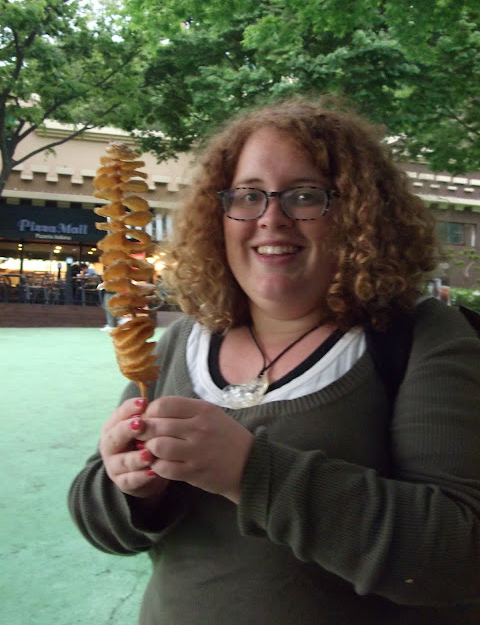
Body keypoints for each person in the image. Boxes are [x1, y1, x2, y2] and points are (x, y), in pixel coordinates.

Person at [68, 97, 480, 624]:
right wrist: (130, 489)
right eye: (248, 195)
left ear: (360, 214)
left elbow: (458, 556)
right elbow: (100, 521)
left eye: (305, 196)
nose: (271, 218)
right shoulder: (181, 341)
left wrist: (250, 472)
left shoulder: (421, 338)